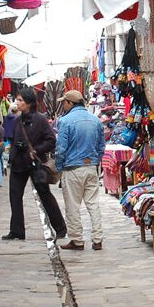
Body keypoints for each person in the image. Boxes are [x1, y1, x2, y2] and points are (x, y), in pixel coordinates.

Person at [3, 88, 67, 241]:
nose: (17, 103)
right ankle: (17, 230)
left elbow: (51, 141)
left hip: (35, 164)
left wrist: (36, 150)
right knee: (15, 196)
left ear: (29, 103)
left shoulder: (40, 120)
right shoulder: (18, 120)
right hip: (18, 164)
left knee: (45, 195)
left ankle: (60, 228)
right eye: (17, 100)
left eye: (20, 100)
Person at [54, 90, 105, 251]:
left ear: (70, 103)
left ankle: (77, 240)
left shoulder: (65, 121)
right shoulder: (95, 120)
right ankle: (97, 239)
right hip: (91, 168)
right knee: (93, 204)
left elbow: (61, 148)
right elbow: (101, 146)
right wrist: (95, 161)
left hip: (73, 168)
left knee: (73, 206)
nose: (63, 105)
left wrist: (59, 167)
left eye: (64, 102)